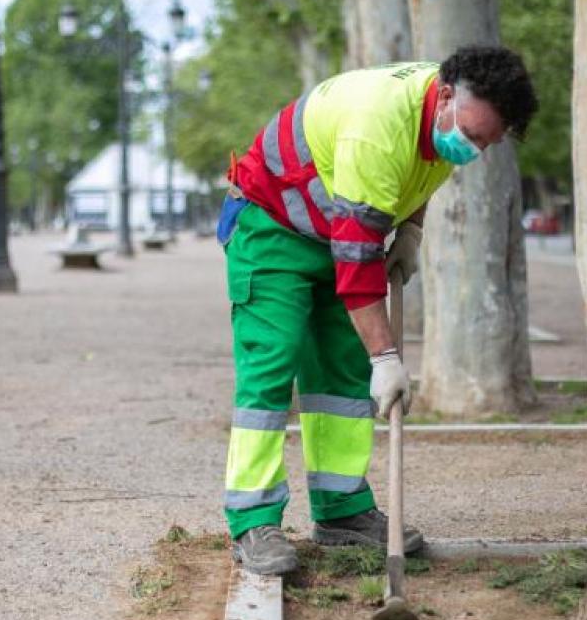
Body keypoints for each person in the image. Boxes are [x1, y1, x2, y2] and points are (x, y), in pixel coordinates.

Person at [217, 46, 538, 575]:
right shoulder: (378, 125)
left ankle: (341, 510)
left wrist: (411, 227)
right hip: (271, 225)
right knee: (270, 367)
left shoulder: (443, 124)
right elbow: (357, 257)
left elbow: (416, 177)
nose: (474, 150)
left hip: (333, 231)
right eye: (474, 136)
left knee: (341, 375)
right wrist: (386, 356)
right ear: (448, 95)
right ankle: (252, 521)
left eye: (486, 143)